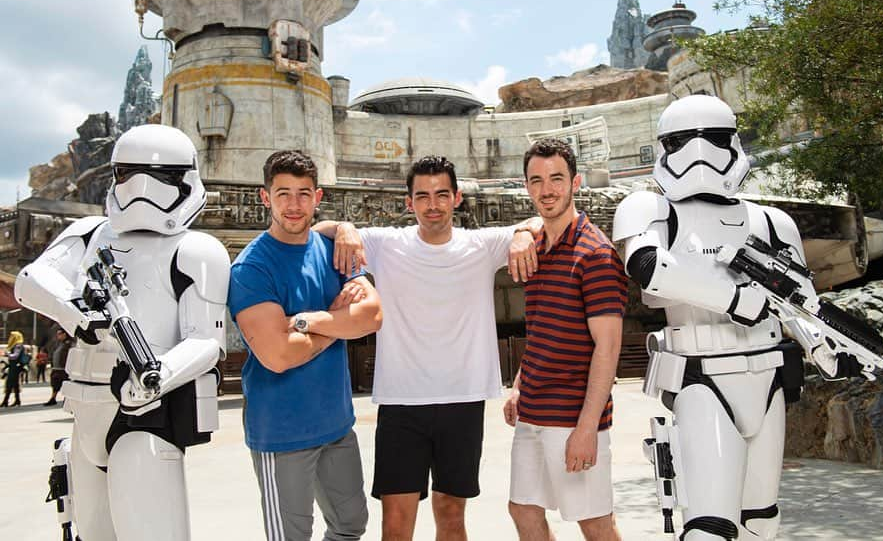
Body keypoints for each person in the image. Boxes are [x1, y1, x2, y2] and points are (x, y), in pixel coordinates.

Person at [610, 95, 878, 539]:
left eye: (712, 138)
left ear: (733, 142)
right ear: (664, 148)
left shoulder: (771, 222)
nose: (699, 152)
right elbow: (649, 268)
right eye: (682, 140)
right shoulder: (651, 209)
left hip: (769, 378)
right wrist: (734, 298)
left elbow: (798, 303)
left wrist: (822, 347)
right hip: (701, 379)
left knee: (761, 520)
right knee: (710, 527)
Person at [15, 124, 232, 540]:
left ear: (184, 178)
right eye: (128, 175)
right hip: (83, 408)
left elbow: (205, 340)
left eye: (162, 177)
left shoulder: (197, 251)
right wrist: (76, 311)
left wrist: (156, 377)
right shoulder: (89, 234)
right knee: (93, 533)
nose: (142, 189)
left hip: (146, 415)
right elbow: (31, 280)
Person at [315, 155, 538, 541]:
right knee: (396, 523)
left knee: (451, 516)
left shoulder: (482, 246)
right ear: (409, 202)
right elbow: (318, 229)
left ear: (457, 198)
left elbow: (539, 223)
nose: (432, 205)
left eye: (441, 195)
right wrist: (345, 226)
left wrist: (522, 234)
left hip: (461, 400)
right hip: (402, 401)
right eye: (422, 196)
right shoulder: (386, 245)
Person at [228, 150, 383, 541]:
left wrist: (306, 321)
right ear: (266, 198)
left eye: (303, 193)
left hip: (335, 424)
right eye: (283, 193)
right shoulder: (251, 269)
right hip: (281, 430)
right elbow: (279, 356)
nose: (293, 205)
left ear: (318, 197)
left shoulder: (336, 250)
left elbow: (373, 316)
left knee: (350, 526)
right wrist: (338, 321)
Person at [503, 138, 628, 541]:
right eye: (536, 181)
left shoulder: (596, 254)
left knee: (594, 523)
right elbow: (542, 330)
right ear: (527, 187)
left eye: (557, 178)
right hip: (533, 413)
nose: (547, 189)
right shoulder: (534, 250)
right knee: (522, 510)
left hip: (574, 417)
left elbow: (608, 348)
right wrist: (520, 386)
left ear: (575, 183)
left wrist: (587, 427)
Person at [44, 328, 74, 406]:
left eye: (59, 334)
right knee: (55, 384)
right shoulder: (59, 344)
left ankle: (67, 400)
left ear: (64, 334)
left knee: (66, 385)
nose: (58, 336)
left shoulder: (69, 344)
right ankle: (53, 398)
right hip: (56, 368)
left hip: (64, 369)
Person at [1, 330, 26, 407]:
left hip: (15, 367)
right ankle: (17, 400)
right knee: (15, 384)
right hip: (14, 367)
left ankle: (6, 401)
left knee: (9, 383)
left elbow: (15, 356)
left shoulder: (18, 345)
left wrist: (7, 353)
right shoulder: (17, 345)